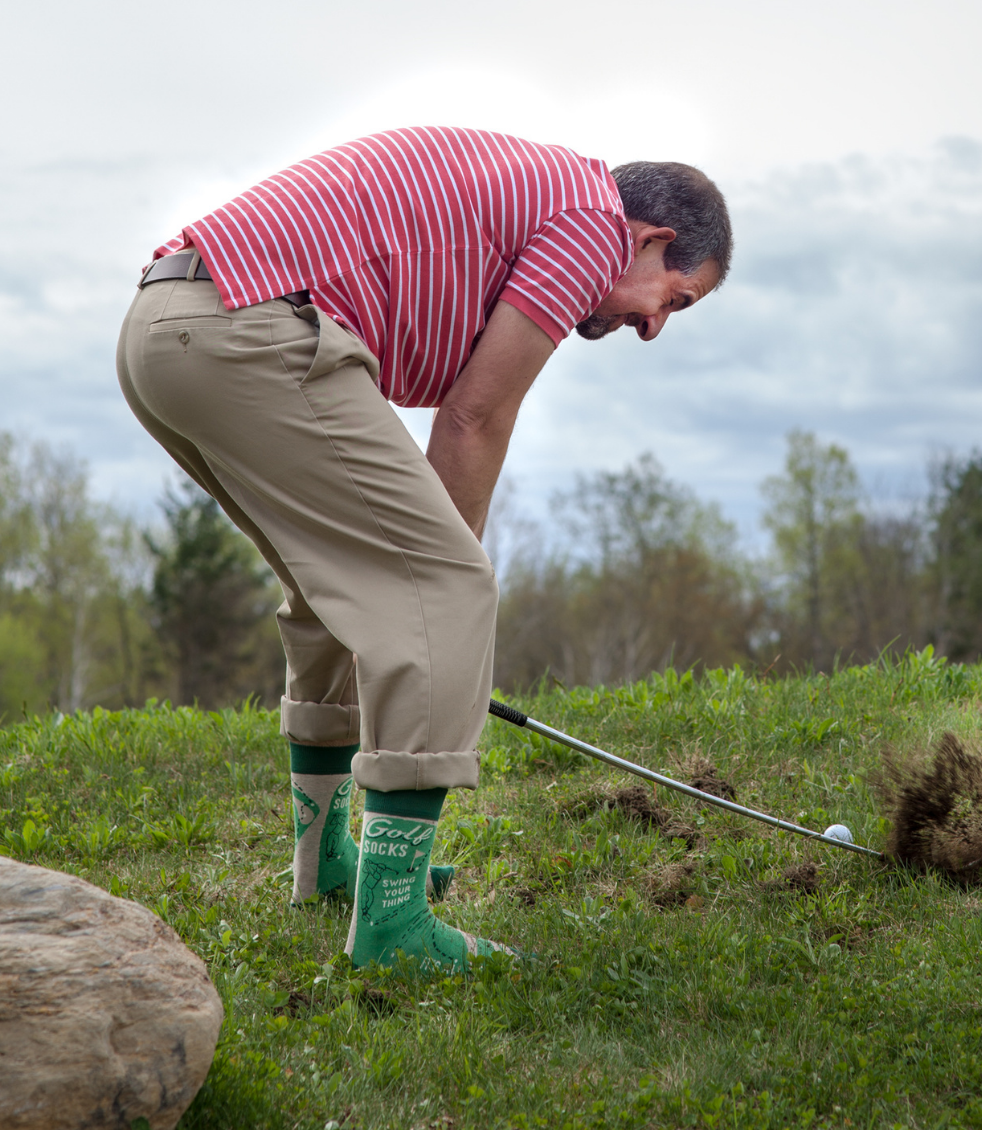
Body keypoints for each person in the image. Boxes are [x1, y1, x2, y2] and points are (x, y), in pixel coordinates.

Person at [116, 126, 732, 972]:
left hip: (167, 328)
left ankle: (327, 866)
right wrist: (439, 612)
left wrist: (415, 599)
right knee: (442, 587)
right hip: (244, 331)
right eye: (676, 297)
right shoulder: (595, 224)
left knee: (338, 589)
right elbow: (476, 415)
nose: (656, 325)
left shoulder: (543, 189)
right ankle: (394, 930)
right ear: (653, 239)